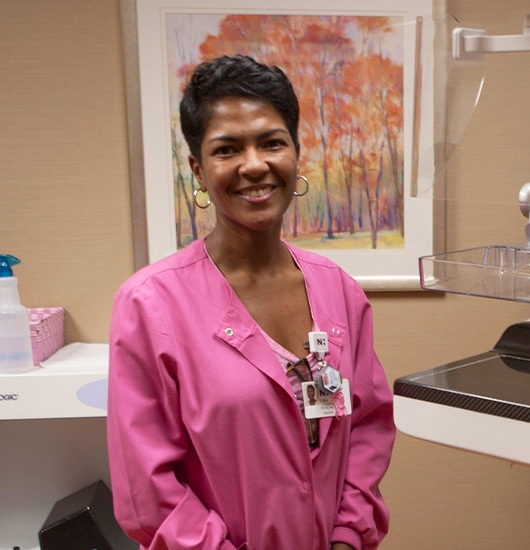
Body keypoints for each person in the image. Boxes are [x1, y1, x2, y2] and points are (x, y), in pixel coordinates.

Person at [107, 55, 395, 550]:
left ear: (296, 154)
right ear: (198, 169)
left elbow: (367, 429)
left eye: (271, 142)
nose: (255, 164)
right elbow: (148, 492)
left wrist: (348, 535)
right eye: (227, 149)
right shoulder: (150, 305)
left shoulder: (338, 290)